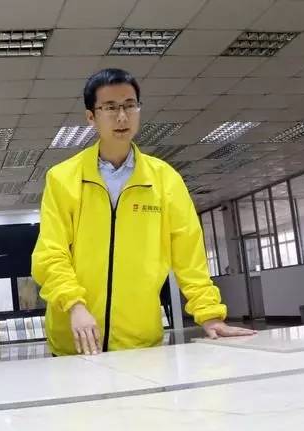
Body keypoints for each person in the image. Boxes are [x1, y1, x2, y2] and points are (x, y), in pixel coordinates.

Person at [32, 68, 255, 356]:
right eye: (110, 107)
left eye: (129, 105)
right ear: (91, 117)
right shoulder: (63, 178)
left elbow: (189, 254)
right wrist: (74, 304)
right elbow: (51, 253)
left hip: (140, 342)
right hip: (74, 340)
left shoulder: (164, 179)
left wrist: (210, 314)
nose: (122, 116)